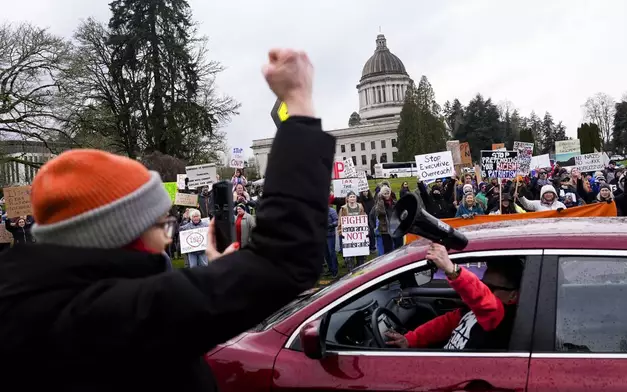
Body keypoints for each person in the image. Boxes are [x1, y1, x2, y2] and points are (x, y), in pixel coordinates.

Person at [0, 48, 335, 391]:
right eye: (161, 224)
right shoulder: (107, 319)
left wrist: (219, 275)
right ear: (122, 237)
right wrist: (298, 104)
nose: (167, 237)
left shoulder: (29, 304)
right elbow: (283, 258)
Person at [385, 243, 523, 350]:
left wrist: (452, 270)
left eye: (491, 288)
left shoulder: (502, 316)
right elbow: (445, 323)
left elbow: (482, 298)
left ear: (513, 295)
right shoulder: (472, 312)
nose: (486, 290)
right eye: (483, 284)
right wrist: (410, 340)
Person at [337, 191, 366, 270]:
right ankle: (351, 272)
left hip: (359, 236)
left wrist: (366, 231)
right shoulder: (343, 208)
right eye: (351, 197)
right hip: (348, 237)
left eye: (354, 197)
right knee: (349, 258)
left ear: (356, 198)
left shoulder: (360, 207)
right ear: (348, 198)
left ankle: (361, 271)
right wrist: (341, 232)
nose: (352, 198)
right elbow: (340, 221)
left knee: (360, 256)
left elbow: (363, 218)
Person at [325, 204, 339, 277]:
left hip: (330, 235)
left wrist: (329, 225)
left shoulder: (331, 211)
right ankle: (330, 268)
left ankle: (335, 270)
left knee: (331, 252)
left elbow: (336, 221)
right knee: (326, 254)